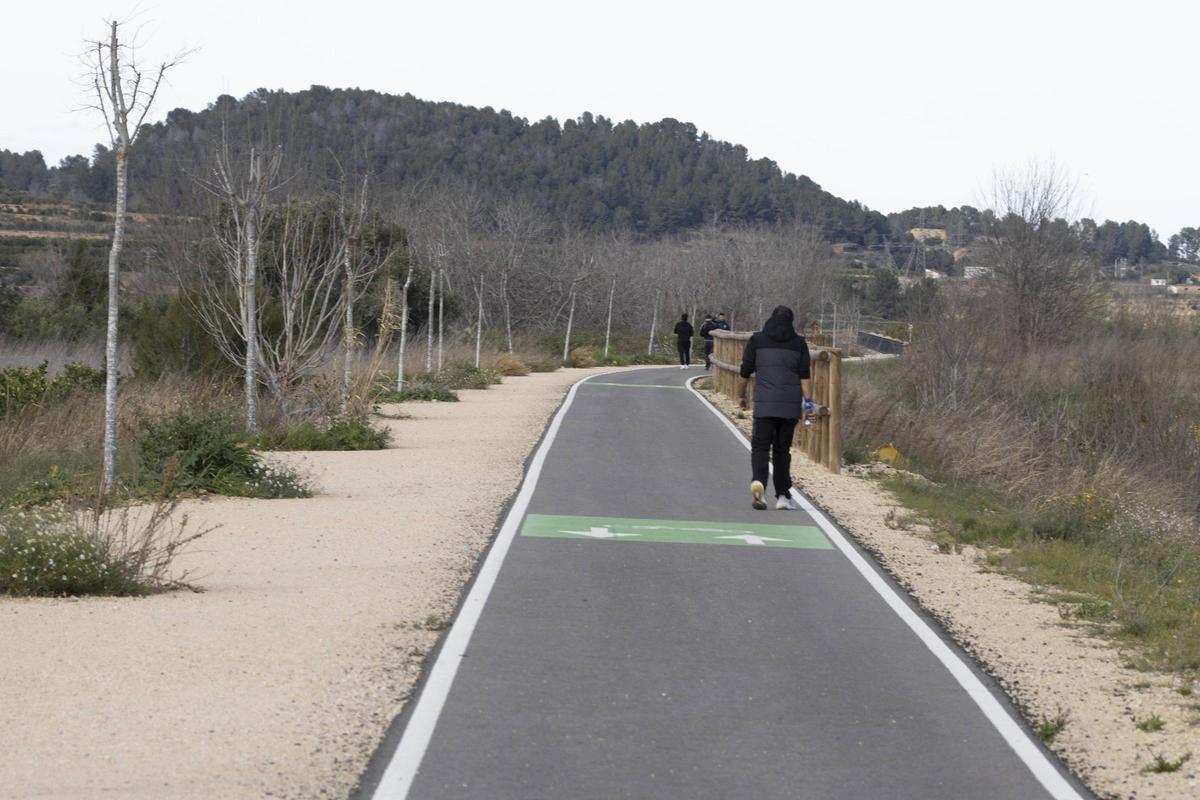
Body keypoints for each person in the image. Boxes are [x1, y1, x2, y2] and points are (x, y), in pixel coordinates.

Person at [737, 305, 811, 510]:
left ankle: (759, 482)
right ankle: (782, 496)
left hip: (764, 404)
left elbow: (745, 371)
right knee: (782, 450)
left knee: (760, 447)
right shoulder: (799, 343)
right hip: (789, 407)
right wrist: (809, 401)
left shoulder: (757, 340)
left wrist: (741, 395)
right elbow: (804, 375)